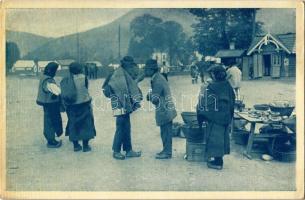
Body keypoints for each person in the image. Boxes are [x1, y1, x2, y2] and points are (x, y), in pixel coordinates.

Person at [102, 56, 144, 160]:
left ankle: (128, 150)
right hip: (118, 103)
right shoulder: (118, 74)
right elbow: (114, 89)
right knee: (120, 127)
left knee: (126, 126)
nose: (131, 67)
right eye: (130, 65)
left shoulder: (124, 72)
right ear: (126, 64)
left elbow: (130, 85)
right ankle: (116, 151)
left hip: (124, 103)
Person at [196, 64, 235, 170]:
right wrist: (230, 116)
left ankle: (217, 163)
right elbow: (232, 101)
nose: (211, 75)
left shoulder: (212, 87)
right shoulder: (227, 85)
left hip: (214, 118)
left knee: (214, 139)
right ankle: (219, 159)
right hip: (225, 117)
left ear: (216, 75)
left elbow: (204, 103)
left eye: (212, 73)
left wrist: (200, 113)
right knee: (221, 138)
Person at [145, 59, 177, 159]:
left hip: (164, 109)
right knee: (165, 131)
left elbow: (155, 98)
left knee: (166, 131)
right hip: (166, 108)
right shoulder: (158, 77)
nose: (145, 71)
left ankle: (167, 152)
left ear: (151, 70)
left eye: (147, 69)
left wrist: (149, 96)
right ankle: (166, 150)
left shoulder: (157, 79)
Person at [63, 62, 96, 152]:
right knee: (86, 125)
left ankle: (76, 146)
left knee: (73, 124)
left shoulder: (67, 79)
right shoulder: (83, 77)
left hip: (72, 105)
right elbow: (85, 89)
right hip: (84, 104)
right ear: (80, 69)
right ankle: (85, 146)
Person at [36, 62, 63, 148]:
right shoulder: (49, 80)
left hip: (46, 102)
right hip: (50, 104)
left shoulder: (43, 77)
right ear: (51, 71)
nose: (55, 73)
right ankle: (51, 141)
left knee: (48, 120)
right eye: (54, 71)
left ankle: (50, 139)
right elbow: (57, 91)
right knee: (51, 121)